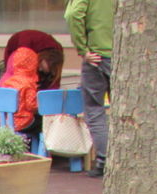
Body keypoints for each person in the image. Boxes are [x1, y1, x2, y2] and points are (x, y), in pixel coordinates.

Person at [65, 0, 113, 177]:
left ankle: (104, 160)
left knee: (94, 109)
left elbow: (72, 15)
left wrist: (82, 49)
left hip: (97, 57)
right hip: (124, 53)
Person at [0, 46, 41, 136]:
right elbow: (32, 106)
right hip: (23, 123)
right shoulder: (28, 83)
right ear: (33, 64)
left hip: (6, 122)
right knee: (42, 123)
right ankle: (34, 147)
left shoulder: (9, 81)